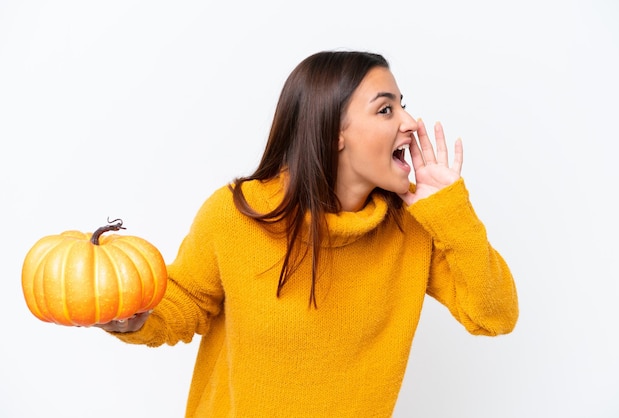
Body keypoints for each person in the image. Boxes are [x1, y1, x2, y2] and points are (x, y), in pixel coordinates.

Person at [99, 50, 519, 417]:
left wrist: (451, 212)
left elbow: (494, 316)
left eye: (403, 106)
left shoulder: (412, 226)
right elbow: (186, 301)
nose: (411, 122)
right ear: (334, 131)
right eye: (386, 110)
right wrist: (134, 318)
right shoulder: (235, 214)